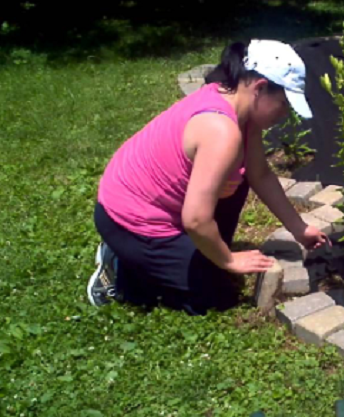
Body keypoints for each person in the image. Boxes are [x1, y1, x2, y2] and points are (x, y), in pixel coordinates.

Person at [88, 39, 330, 315]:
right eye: (284, 104)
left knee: (235, 179)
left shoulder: (234, 102)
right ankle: (120, 272)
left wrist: (299, 229)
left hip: (165, 207)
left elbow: (259, 174)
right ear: (260, 87)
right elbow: (195, 219)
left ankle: (184, 256)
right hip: (128, 222)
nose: (285, 114)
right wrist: (228, 261)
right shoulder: (221, 131)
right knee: (213, 297)